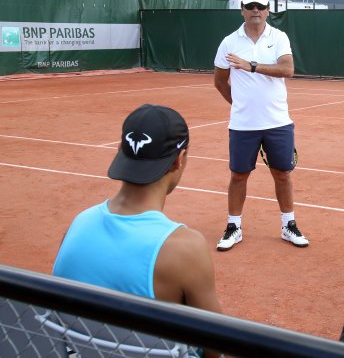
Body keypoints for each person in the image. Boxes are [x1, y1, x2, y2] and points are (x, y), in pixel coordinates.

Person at [53, 104, 223, 354]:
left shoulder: (79, 223)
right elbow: (216, 345)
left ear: (121, 151)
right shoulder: (185, 248)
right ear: (179, 159)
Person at [213, 0, 309, 251]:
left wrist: (251, 65)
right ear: (242, 10)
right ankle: (234, 227)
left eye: (260, 6)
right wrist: (240, 104)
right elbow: (220, 82)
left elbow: (288, 69)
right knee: (238, 176)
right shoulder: (229, 42)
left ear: (267, 11)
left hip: (278, 122)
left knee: (282, 174)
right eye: (250, 6)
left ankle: (289, 225)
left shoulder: (278, 37)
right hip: (243, 125)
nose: (255, 10)